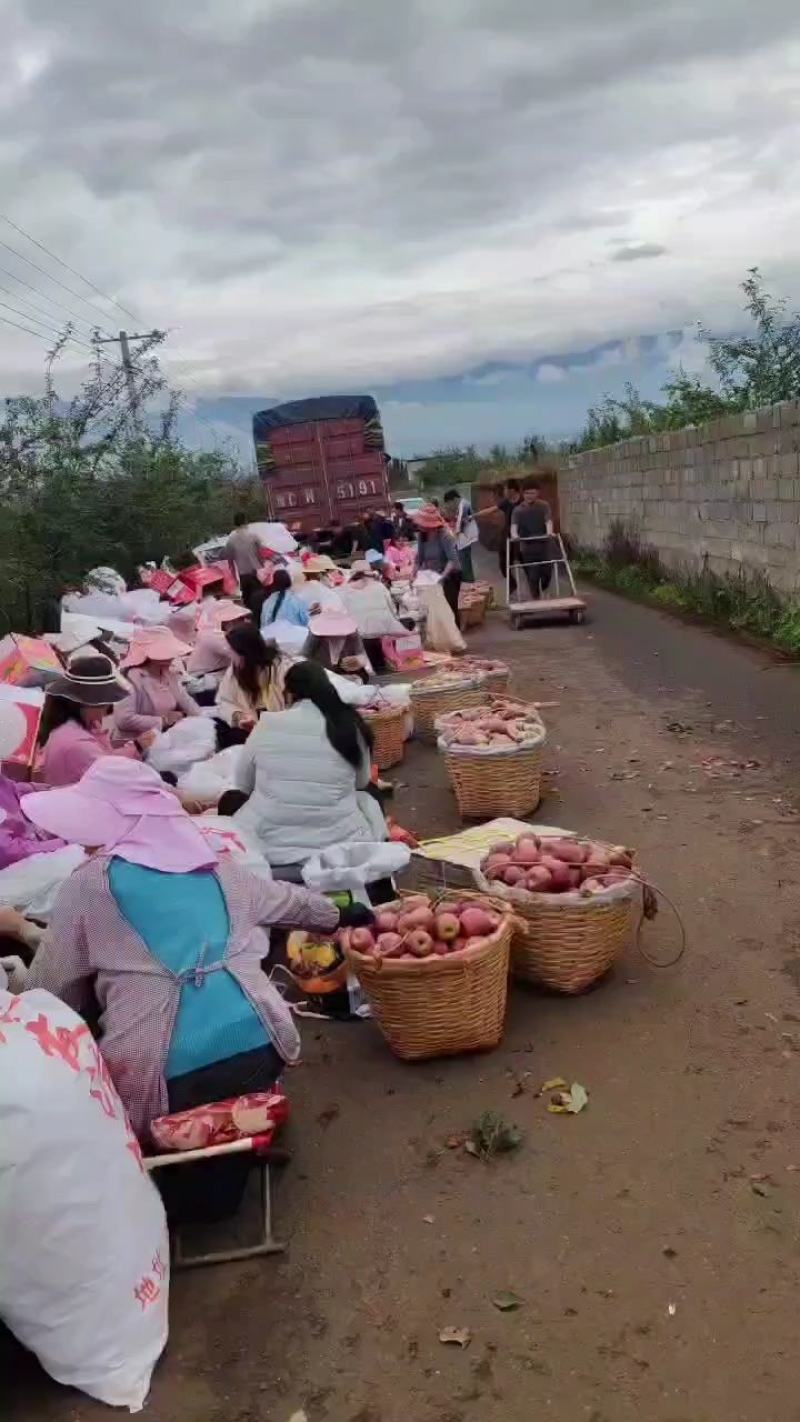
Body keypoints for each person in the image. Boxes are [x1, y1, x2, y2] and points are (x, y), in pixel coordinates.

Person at [21, 758, 373, 1150]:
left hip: (161, 1081)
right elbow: (288, 902)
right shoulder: (216, 866)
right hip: (263, 1047)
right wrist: (340, 914)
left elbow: (49, 991)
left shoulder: (89, 886)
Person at [233, 660, 386, 869]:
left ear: (289, 693)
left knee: (235, 803)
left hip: (270, 843)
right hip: (341, 840)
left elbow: (242, 783)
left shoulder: (267, 724)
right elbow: (361, 782)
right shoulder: (349, 725)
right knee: (369, 796)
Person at [38, 655, 132, 787]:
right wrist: (136, 748)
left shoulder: (77, 727)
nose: (107, 710)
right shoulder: (77, 744)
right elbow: (112, 778)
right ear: (87, 703)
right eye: (104, 703)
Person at [113, 628, 200, 746]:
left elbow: (188, 704)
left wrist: (202, 719)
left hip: (166, 739)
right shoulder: (131, 678)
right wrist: (163, 720)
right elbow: (124, 719)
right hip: (137, 746)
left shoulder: (169, 674)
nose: (171, 656)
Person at [216, 622, 294, 728]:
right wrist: (238, 716)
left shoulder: (282, 667)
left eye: (231, 649)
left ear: (244, 653)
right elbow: (224, 700)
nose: (228, 652)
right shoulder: (235, 670)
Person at [340, 562, 407, 673]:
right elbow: (393, 611)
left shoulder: (345, 591)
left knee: (373, 667)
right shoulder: (380, 587)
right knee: (386, 666)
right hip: (384, 633)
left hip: (362, 636)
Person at [412, 504, 463, 627]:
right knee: (435, 608)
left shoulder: (445, 536)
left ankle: (455, 634)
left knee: (449, 607)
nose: (420, 526)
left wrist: (442, 577)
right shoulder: (422, 536)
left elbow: (452, 560)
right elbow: (419, 558)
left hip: (450, 574)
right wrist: (414, 573)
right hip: (432, 575)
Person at [476, 478, 522, 594]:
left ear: (512, 490)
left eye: (506, 489)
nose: (504, 491)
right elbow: (492, 510)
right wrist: (475, 515)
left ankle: (534, 585)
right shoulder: (506, 502)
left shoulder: (522, 501)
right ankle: (512, 584)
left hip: (521, 535)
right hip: (507, 535)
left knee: (525, 560)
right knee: (503, 563)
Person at [510, 482, 554, 599]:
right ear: (523, 494)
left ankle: (544, 588)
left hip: (544, 546)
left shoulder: (544, 506)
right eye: (527, 493)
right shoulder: (518, 510)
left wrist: (549, 532)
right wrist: (514, 535)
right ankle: (536, 598)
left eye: (532, 493)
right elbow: (514, 526)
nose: (529, 495)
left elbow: (548, 520)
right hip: (527, 547)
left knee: (547, 573)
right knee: (533, 575)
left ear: (537, 493)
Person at [304, 611, 371, 679]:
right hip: (323, 677)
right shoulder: (315, 636)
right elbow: (303, 659)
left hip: (349, 678)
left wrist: (359, 661)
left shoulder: (352, 635)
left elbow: (362, 657)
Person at [224, 514, 264, 610]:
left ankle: (252, 622)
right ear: (245, 522)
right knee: (261, 602)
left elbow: (230, 562)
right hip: (257, 574)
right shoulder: (253, 536)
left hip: (243, 576)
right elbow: (262, 553)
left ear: (234, 524)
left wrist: (235, 578)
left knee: (248, 605)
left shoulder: (230, 540)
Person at [443, 488, 479, 583]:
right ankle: (470, 582)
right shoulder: (462, 505)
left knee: (464, 564)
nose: (450, 506)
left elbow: (459, 525)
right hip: (465, 539)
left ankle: (469, 583)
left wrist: (452, 537)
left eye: (449, 503)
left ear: (453, 499)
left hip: (465, 539)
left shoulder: (464, 505)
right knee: (466, 563)